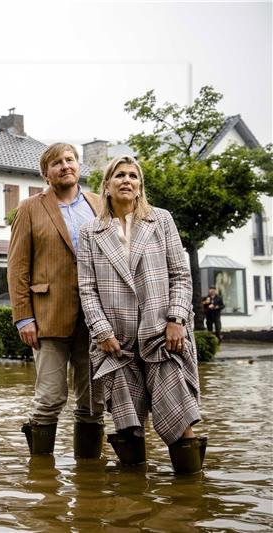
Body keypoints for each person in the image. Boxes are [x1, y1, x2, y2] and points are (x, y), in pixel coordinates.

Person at [77, 155, 206, 474]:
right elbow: (87, 288)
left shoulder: (161, 220)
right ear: (106, 186)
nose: (126, 180)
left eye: (133, 176)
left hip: (163, 336)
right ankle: (132, 498)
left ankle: (190, 493)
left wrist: (177, 320)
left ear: (139, 186)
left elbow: (180, 274)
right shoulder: (91, 232)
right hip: (116, 343)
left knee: (179, 415)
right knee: (127, 423)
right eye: (119, 175)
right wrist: (102, 332)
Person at [7, 143, 104, 458]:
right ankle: (40, 472)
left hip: (95, 319)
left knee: (93, 401)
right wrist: (24, 318)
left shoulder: (100, 205)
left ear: (78, 166)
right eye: (57, 163)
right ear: (45, 173)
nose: (65, 166)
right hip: (48, 316)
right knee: (50, 397)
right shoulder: (29, 208)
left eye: (70, 160)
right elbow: (17, 266)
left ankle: (90, 479)